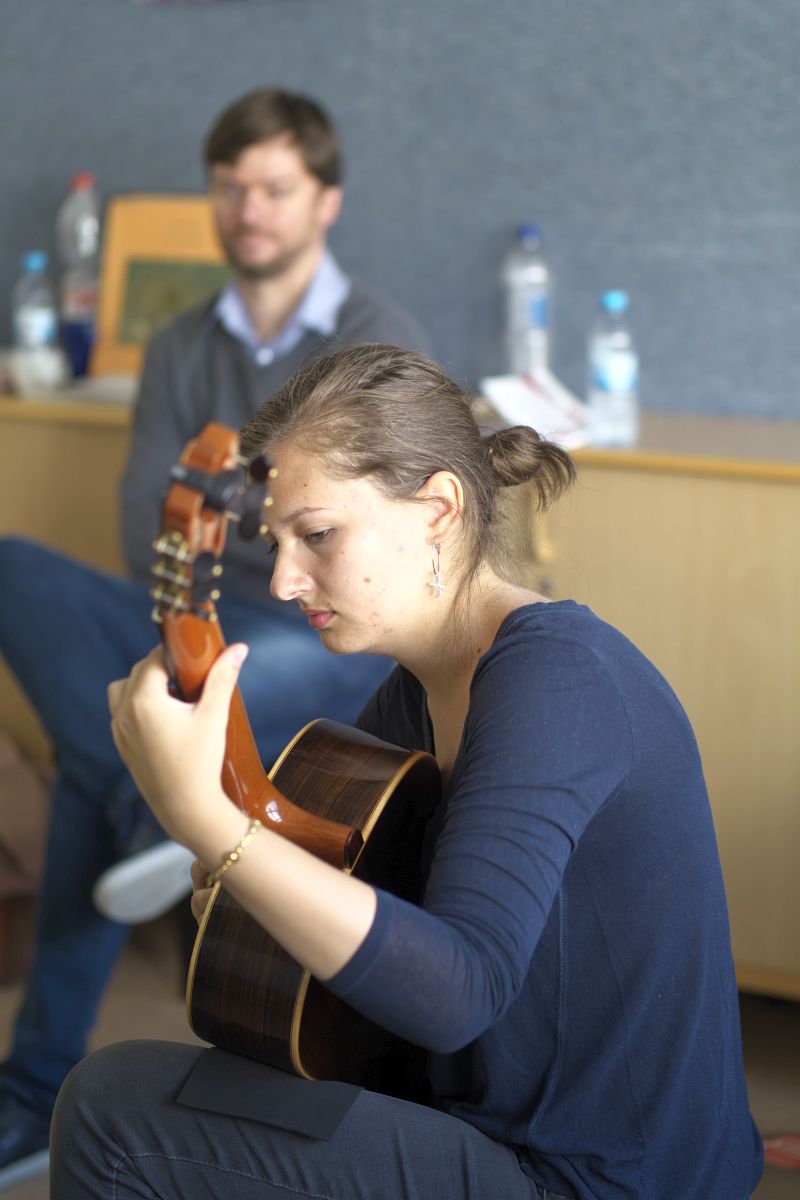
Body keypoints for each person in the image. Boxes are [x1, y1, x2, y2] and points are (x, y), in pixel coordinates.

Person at [51, 344, 764, 1200]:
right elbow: (339, 915)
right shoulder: (410, 699)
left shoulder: (558, 680)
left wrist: (210, 824)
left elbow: (458, 991)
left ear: (438, 509)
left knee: (112, 1110)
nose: (282, 580)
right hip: (478, 1116)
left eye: (317, 535)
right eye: (274, 542)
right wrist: (239, 880)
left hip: (592, 1176)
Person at [0, 89, 430, 1186]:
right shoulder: (180, 343)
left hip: (318, 624)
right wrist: (254, 508)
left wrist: (242, 496)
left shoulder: (378, 339)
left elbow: (372, 541)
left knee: (139, 724)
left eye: (275, 188)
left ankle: (33, 1086)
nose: (250, 209)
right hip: (188, 610)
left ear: (325, 200)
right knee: (15, 570)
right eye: (231, 188)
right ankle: (131, 791)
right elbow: (146, 521)